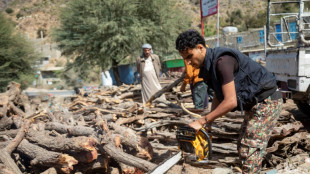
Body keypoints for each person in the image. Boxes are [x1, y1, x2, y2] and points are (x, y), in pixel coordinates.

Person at [175, 29, 283, 173]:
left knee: (250, 148)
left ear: (200, 48)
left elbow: (230, 101)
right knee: (243, 144)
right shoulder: (207, 66)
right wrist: (209, 124)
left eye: (190, 56)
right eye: (185, 59)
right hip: (256, 103)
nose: (188, 62)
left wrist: (202, 121)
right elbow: (219, 96)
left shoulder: (222, 61)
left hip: (267, 101)